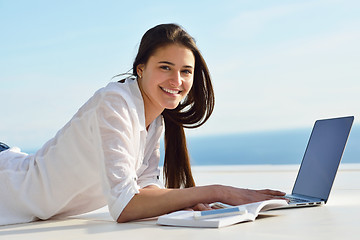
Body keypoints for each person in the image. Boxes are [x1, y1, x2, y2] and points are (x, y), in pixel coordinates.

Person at [0, 23, 285, 226]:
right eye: (165, 67)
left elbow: (144, 188)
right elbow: (124, 207)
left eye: (186, 71)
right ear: (141, 68)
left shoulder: (155, 120)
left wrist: (185, 201)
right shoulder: (113, 103)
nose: (177, 81)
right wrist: (219, 191)